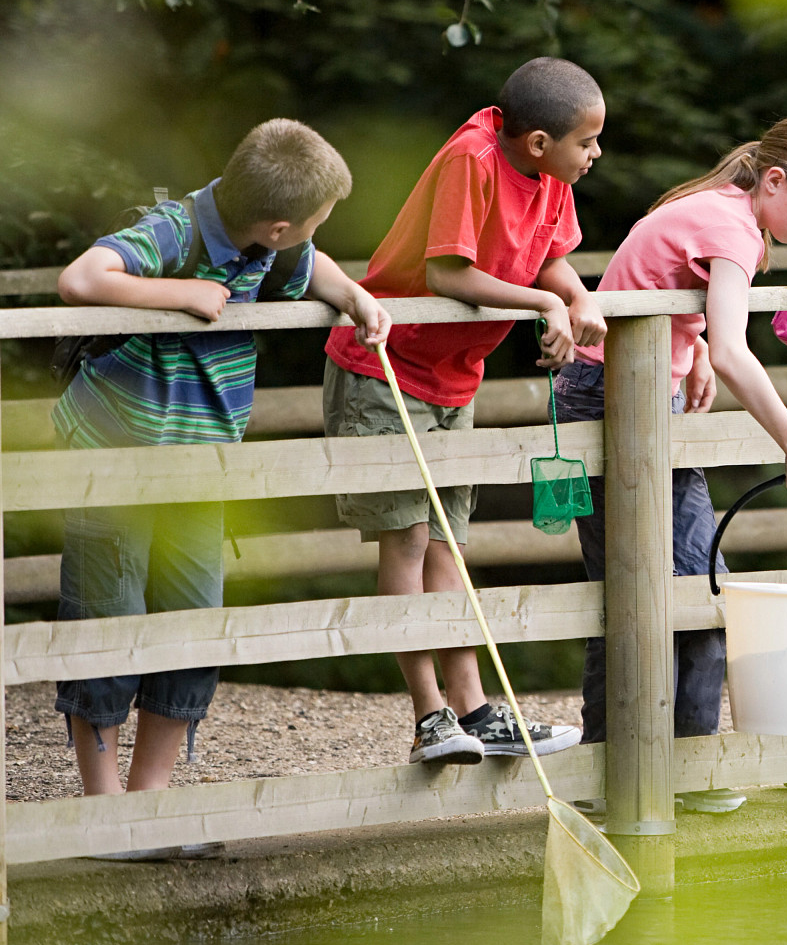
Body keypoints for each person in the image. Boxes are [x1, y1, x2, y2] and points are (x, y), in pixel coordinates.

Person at [51, 119, 390, 837]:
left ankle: (153, 800)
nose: (318, 234)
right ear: (276, 224)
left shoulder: (274, 245)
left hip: (198, 463)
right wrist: (179, 292)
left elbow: (316, 266)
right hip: (114, 453)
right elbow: (80, 278)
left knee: (196, 621)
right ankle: (104, 807)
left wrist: (355, 296)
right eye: (317, 222)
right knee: (108, 615)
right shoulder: (176, 230)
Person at [554, 114, 787, 814]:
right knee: (664, 587)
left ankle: (652, 761)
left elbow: (672, 298)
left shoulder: (721, 208)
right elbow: (733, 348)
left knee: (665, 585)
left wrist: (685, 355)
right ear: (774, 180)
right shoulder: (732, 227)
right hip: (609, 394)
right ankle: (650, 764)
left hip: (629, 389)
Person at [322, 57, 606, 765]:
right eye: (588, 141)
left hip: (454, 377)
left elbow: (548, 259)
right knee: (409, 541)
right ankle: (430, 719)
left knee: (449, 543)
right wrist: (547, 303)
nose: (596, 153)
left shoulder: (551, 179)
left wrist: (578, 297)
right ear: (538, 141)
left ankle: (476, 710)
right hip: (385, 366)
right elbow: (449, 272)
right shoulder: (471, 160)